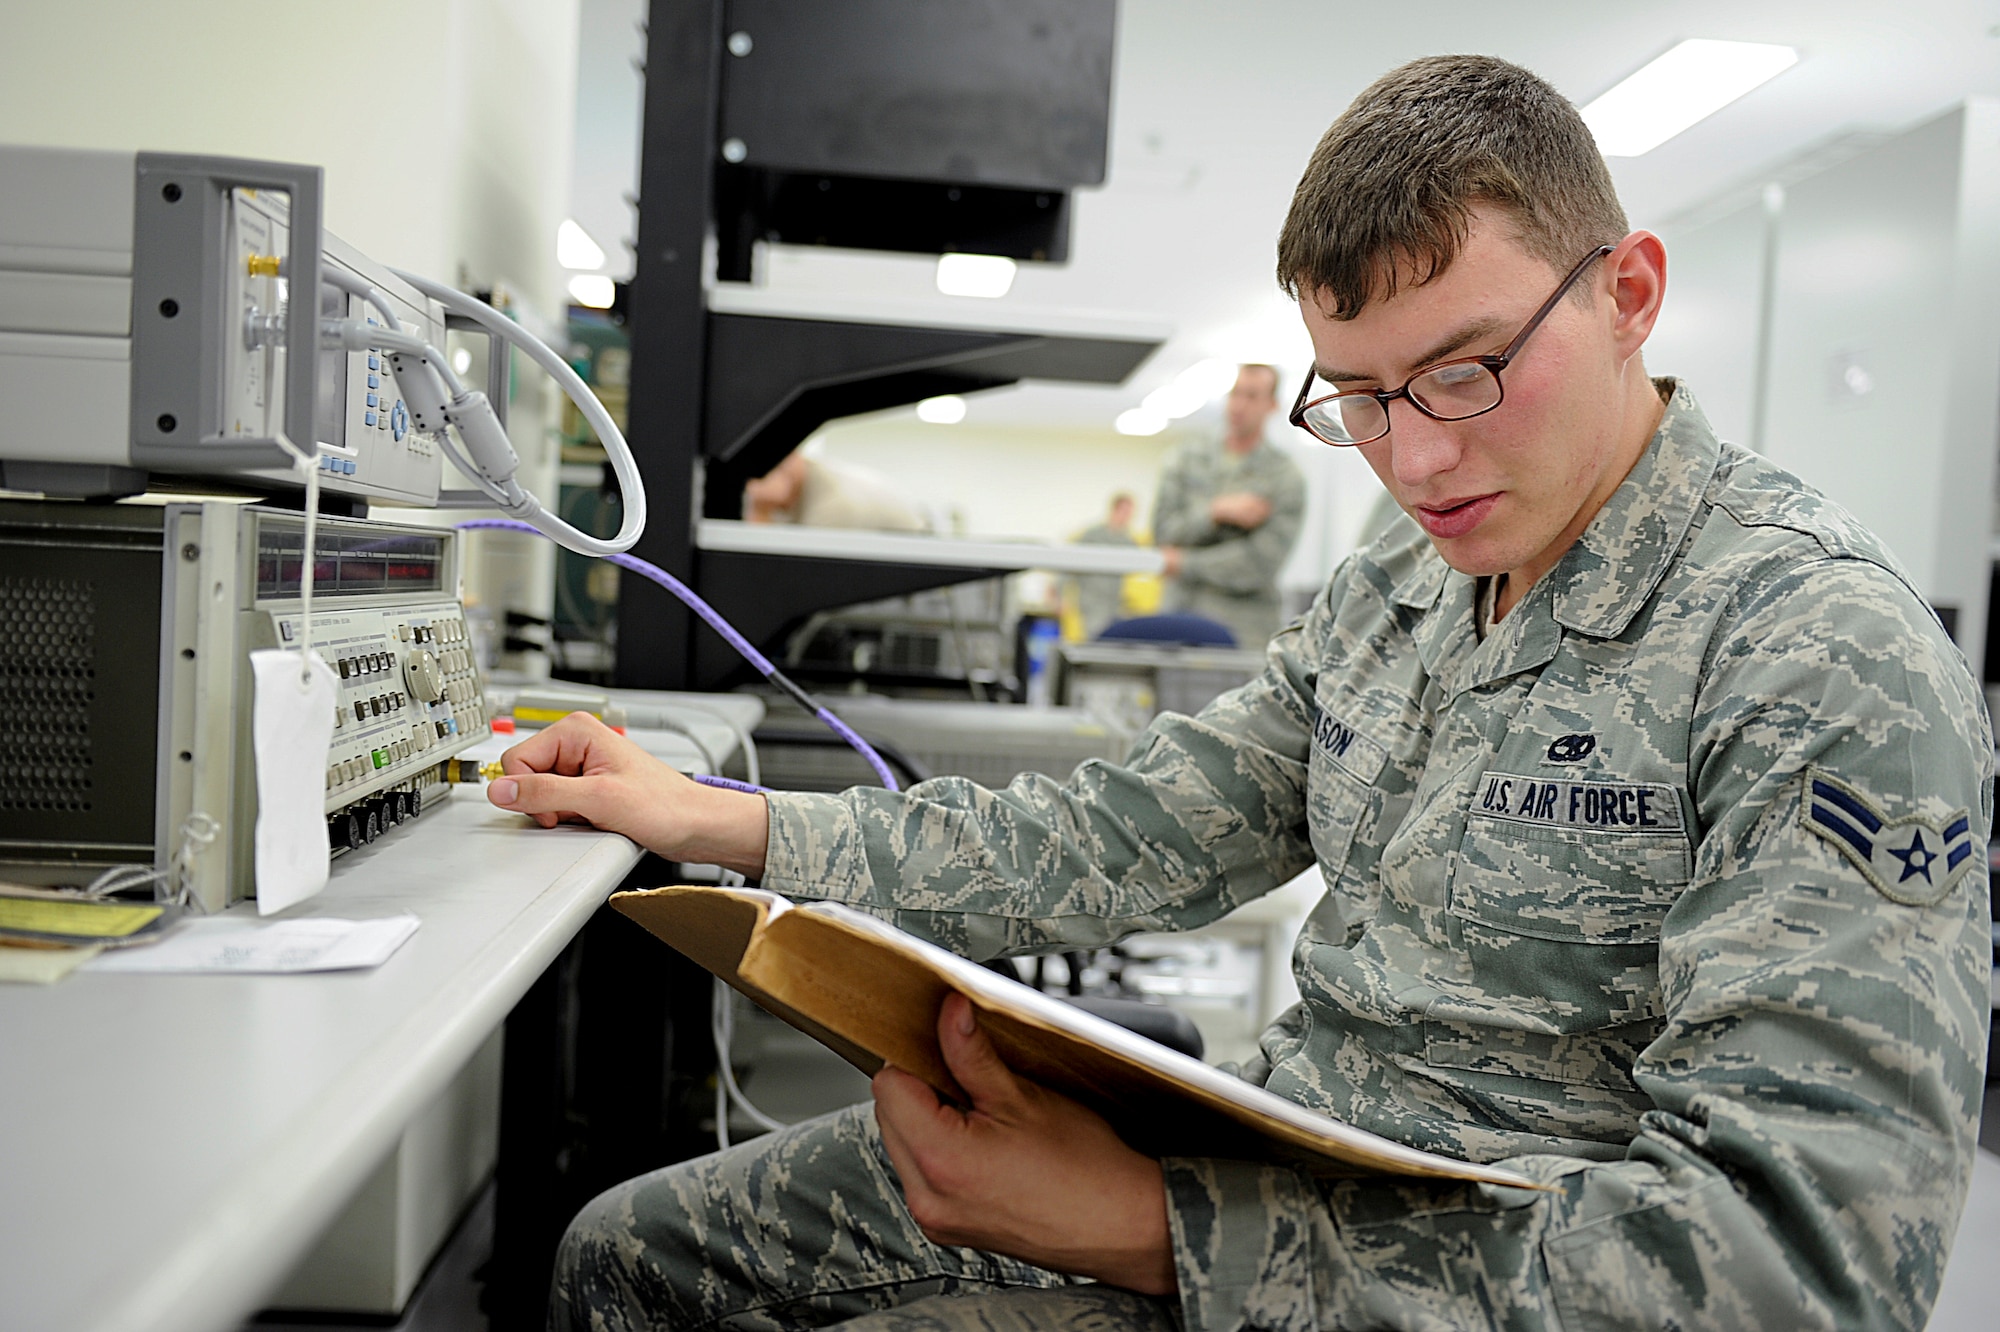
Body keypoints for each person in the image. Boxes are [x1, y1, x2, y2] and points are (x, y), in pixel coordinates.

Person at [491, 54, 1992, 1332]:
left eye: (1465, 375)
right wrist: (725, 822)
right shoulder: (1404, 585)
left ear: (1631, 294)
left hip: (1447, 1272)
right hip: (1267, 1160)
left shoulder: (1812, 656)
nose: (1414, 464)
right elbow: (1117, 833)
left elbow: (1803, 1268)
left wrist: (1156, 1229)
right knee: (621, 1256)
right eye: (1362, 397)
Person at [1153, 364, 1305, 647]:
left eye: (1252, 396)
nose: (1239, 405)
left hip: (1244, 631)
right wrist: (1215, 511)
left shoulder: (1284, 476)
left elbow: (1259, 564)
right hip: (1178, 617)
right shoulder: (1185, 459)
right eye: (1235, 393)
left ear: (1271, 405)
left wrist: (1185, 562)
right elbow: (1164, 536)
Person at [745, 445, 930, 532]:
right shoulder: (792, 490)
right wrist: (761, 508)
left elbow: (796, 573)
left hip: (911, 552)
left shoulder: (832, 502)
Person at [1069, 491, 1138, 639]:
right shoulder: (1092, 535)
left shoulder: (1128, 541)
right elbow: (1071, 563)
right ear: (1114, 510)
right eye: (1125, 512)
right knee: (1095, 638)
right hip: (1093, 601)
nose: (1128, 517)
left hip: (1114, 603)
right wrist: (1058, 593)